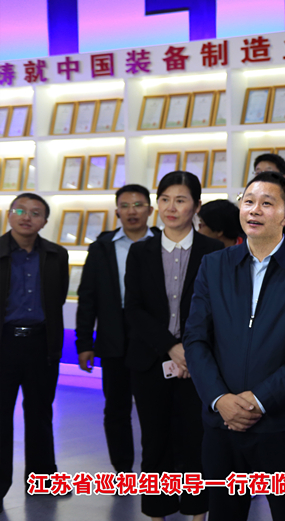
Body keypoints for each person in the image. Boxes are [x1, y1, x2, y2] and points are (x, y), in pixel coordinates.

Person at [184, 172, 285, 521]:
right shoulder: (214, 265)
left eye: (267, 203)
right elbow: (196, 338)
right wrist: (220, 399)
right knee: (223, 513)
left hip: (281, 423)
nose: (254, 210)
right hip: (221, 422)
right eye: (248, 201)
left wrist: (260, 399)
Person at [124, 172, 223, 521]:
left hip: (200, 363)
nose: (171, 207)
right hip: (151, 361)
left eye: (180, 200)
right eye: (165, 199)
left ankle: (197, 512)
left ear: (196, 206)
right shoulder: (140, 251)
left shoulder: (214, 252)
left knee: (197, 439)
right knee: (155, 441)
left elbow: (217, 310)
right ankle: (157, 512)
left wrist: (190, 350)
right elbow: (134, 308)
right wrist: (171, 347)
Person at [75, 184, 155, 475]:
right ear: (117, 211)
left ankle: (157, 469)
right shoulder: (101, 247)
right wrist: (85, 343)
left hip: (153, 337)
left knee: (155, 408)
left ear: (150, 209)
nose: (132, 211)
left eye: (138, 204)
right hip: (113, 336)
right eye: (125, 205)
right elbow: (88, 297)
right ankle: (122, 470)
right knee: (117, 407)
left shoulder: (163, 241)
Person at [0, 194, 68, 513]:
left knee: (40, 413)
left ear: (45, 221)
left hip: (41, 343)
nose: (26, 217)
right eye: (20, 210)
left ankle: (43, 479)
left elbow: (58, 298)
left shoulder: (56, 254)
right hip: (4, 343)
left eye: (35, 213)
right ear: (9, 215)